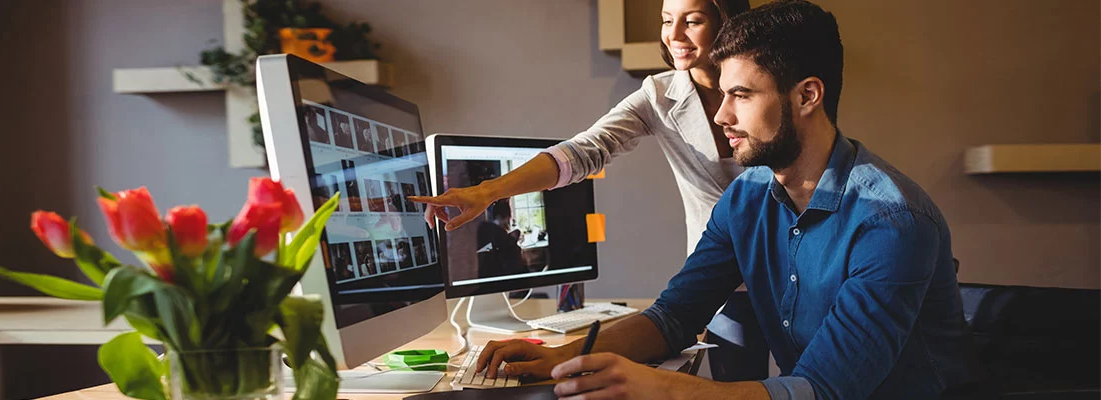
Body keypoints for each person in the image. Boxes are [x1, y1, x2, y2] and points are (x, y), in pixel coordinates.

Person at [469, 2, 975, 398]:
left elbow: (821, 390)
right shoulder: (747, 197)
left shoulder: (892, 222)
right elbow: (672, 317)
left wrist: (663, 389)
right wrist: (562, 356)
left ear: (806, 96)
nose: (720, 116)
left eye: (742, 96)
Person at [410, 0, 770, 381]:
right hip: (721, 280)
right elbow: (583, 150)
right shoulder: (659, 95)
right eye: (667, 21)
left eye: (692, 21)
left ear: (726, 22)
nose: (674, 35)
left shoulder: (770, 82)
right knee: (739, 385)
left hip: (792, 261)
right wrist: (490, 191)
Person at [475, 200, 527, 278]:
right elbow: (505, 244)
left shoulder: (484, 226)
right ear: (506, 217)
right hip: (494, 272)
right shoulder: (498, 232)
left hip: (483, 269)